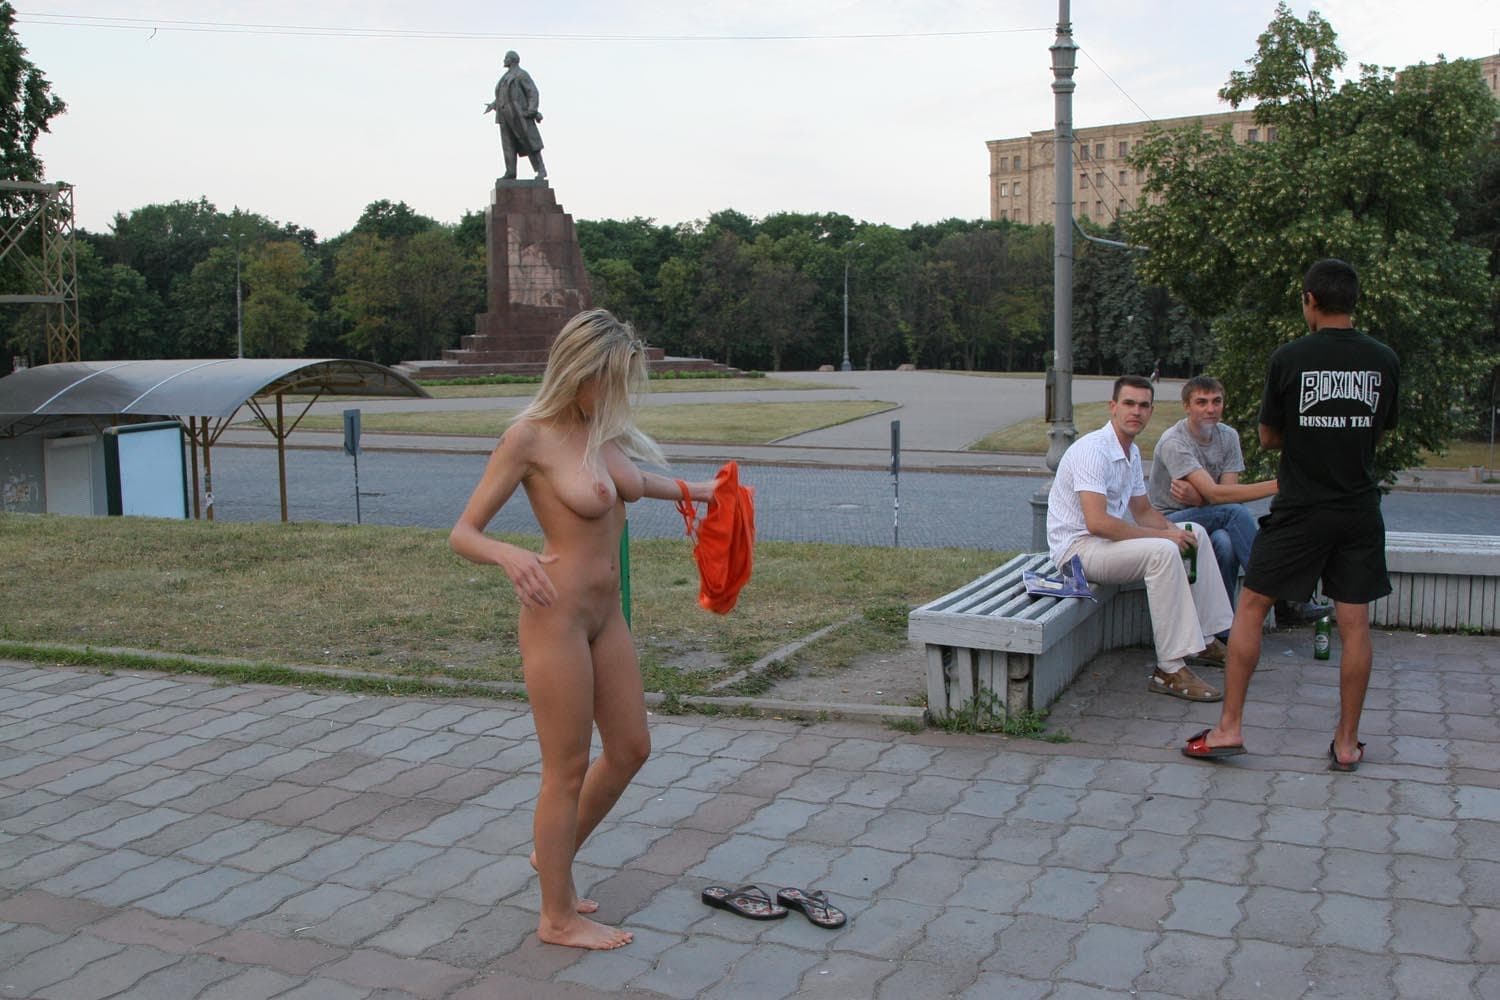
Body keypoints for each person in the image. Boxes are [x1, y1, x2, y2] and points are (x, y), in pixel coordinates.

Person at [450, 309, 716, 949]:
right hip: (557, 618)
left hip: (606, 614)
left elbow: (635, 482)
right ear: (580, 371)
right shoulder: (528, 437)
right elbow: (463, 533)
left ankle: (554, 854)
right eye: (613, 379)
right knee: (565, 769)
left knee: (631, 749)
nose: (620, 393)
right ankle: (557, 917)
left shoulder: (600, 430)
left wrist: (703, 491)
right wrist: (509, 555)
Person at [1183, 259, 1400, 771]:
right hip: (1358, 508)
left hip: (1301, 505)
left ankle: (1229, 728)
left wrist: (1308, 434)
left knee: (1252, 605)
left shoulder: (1289, 358)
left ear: (1310, 300)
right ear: (1353, 301)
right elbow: (1379, 428)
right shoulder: (1384, 359)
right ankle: (1346, 743)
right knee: (1354, 622)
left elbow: (1268, 436)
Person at [1047, 375, 1234, 702]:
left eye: (1144, 405)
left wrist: (1175, 532)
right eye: (1129, 403)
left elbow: (1144, 511)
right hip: (1077, 553)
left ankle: (1206, 639)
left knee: (1196, 534)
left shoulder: (1130, 452)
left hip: (1104, 546)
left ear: (1151, 411)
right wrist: (1165, 539)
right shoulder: (1093, 450)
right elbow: (1098, 523)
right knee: (1162, 552)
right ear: (1113, 407)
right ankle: (1170, 669)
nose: (1136, 411)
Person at [1147, 376, 1327, 626]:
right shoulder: (1174, 442)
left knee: (1225, 543)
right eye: (1201, 402)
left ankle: (1223, 627)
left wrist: (1200, 498)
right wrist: (1283, 484)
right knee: (1233, 513)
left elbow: (1226, 493)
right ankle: (1283, 597)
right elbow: (1220, 498)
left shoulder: (1228, 436)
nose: (1210, 409)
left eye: (1216, 401)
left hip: (1211, 516)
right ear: (1187, 406)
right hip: (1169, 521)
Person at [486, 50, 547, 180]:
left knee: (530, 142)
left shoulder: (521, 74)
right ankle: (510, 172)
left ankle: (541, 170)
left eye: (506, 58)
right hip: (504, 116)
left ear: (512, 59)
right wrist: (493, 104)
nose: (504, 60)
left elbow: (533, 92)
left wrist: (532, 109)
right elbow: (503, 95)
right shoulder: (505, 77)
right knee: (508, 145)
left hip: (519, 114)